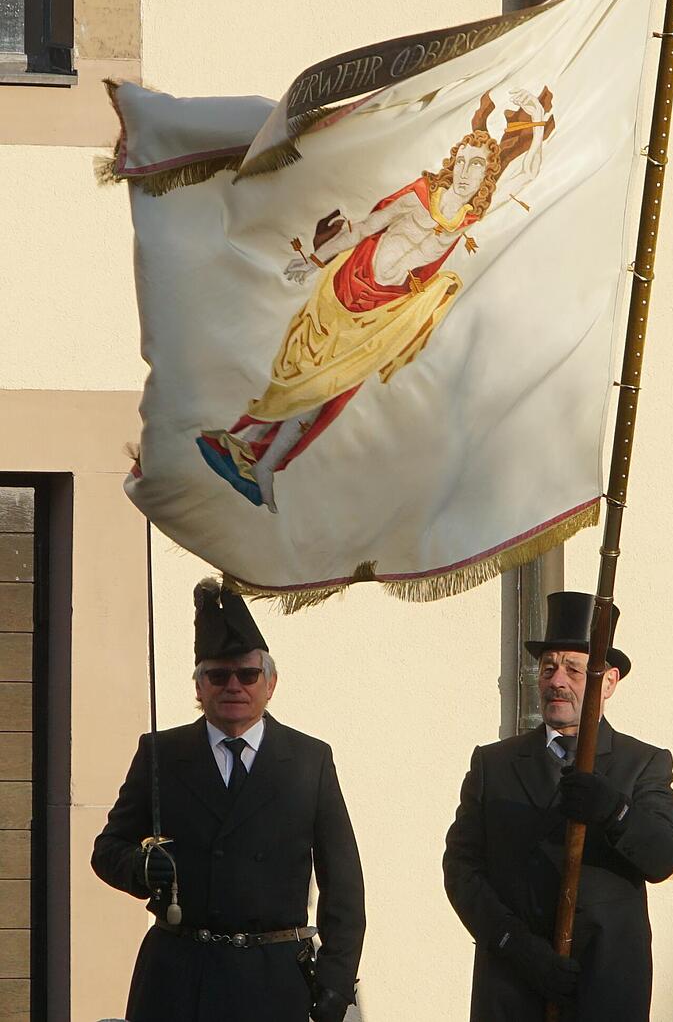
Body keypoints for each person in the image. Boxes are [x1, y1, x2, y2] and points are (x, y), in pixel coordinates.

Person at [197, 87, 554, 512]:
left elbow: (527, 174)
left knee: (328, 392)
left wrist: (533, 119)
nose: (464, 172)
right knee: (301, 378)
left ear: (485, 177)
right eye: (461, 161)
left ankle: (266, 467)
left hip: (384, 317)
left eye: (476, 166)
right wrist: (315, 259)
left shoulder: (469, 218)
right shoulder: (418, 197)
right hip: (344, 296)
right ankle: (243, 445)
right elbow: (362, 229)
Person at [92, 579, 365, 1022]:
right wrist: (138, 869)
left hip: (273, 980)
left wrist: (336, 981)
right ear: (199, 687)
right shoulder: (161, 754)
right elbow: (106, 850)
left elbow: (344, 885)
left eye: (248, 674)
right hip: (179, 977)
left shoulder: (309, 760)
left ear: (271, 682)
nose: (233, 686)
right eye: (218, 675)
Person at [443, 591, 673, 1022]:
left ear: (608, 682)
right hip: (512, 987)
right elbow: (461, 870)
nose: (557, 681)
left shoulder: (642, 763)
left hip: (604, 989)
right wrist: (515, 945)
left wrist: (614, 810)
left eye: (574, 669)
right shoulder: (492, 764)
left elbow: (663, 856)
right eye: (548, 667)